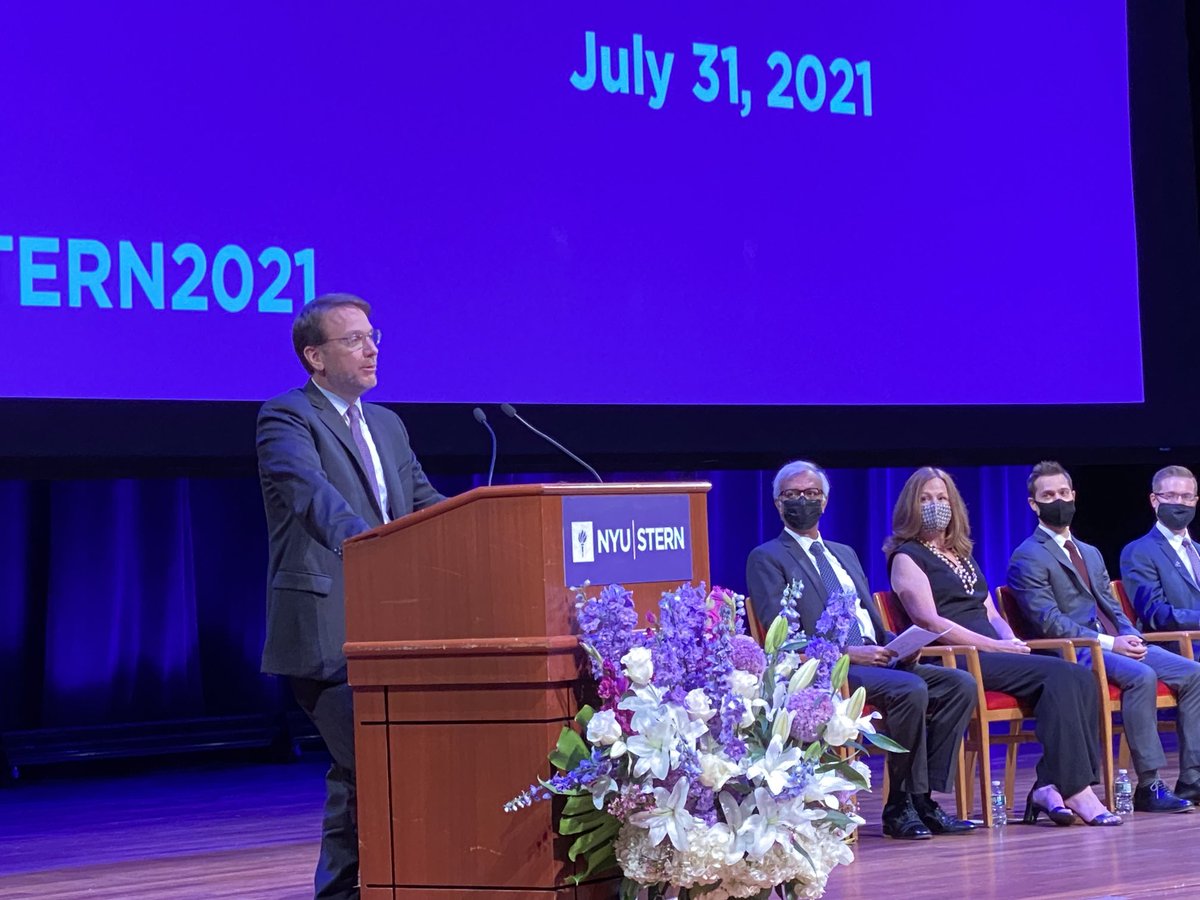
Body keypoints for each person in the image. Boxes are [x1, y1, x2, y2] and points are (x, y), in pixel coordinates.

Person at [257, 293, 445, 900]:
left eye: (374, 337)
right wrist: (375, 550)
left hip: (397, 628)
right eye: (354, 339)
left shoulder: (387, 424)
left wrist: (494, 526)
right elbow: (312, 498)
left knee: (359, 777)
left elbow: (422, 504)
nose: (371, 349)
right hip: (326, 629)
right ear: (314, 356)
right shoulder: (286, 418)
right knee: (370, 770)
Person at [746, 460, 978, 840]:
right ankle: (899, 807)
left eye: (811, 494)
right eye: (792, 495)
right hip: (828, 669)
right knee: (910, 691)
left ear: (825, 502)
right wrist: (850, 655)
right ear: (777, 504)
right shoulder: (768, 556)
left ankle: (924, 798)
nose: (802, 500)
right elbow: (781, 636)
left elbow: (866, 617)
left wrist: (901, 645)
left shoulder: (844, 552)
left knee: (958, 684)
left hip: (878, 658)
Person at [886, 466, 1120, 826]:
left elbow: (988, 609)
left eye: (942, 498)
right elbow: (930, 622)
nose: (935, 505)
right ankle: (1074, 790)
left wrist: (1008, 637)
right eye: (926, 498)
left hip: (992, 650)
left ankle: (1051, 786)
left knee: (1078, 676)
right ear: (911, 506)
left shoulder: (961, 554)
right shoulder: (906, 556)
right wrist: (991, 647)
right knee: (1058, 677)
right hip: (957, 657)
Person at [1008, 461, 1197, 811]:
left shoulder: (1090, 552)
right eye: (1048, 495)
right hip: (1072, 651)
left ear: (1074, 496)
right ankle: (1150, 784)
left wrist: (1129, 635)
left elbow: (1113, 607)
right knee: (1141, 675)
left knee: (1193, 673)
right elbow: (1049, 622)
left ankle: (1193, 780)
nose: (1058, 500)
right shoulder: (1027, 556)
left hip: (1115, 643)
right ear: (1034, 504)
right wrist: (1112, 643)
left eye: (1063, 493)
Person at [1121, 465, 1200, 633]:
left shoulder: (1198, 551)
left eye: (1186, 496)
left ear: (1195, 501)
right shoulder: (1139, 552)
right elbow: (1156, 614)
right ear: (1154, 500)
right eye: (1170, 496)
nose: (1179, 503)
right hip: (1180, 646)